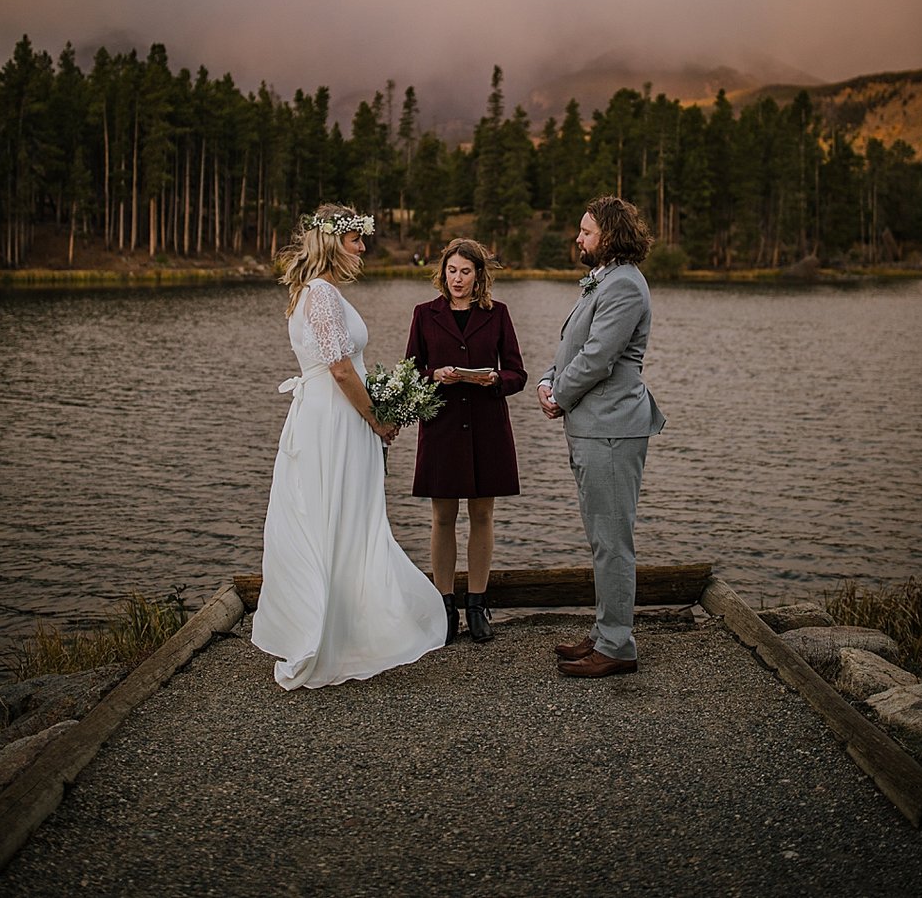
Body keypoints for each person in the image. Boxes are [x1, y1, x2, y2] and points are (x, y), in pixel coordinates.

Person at [252, 204, 447, 688]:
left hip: (328, 414)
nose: (362, 247)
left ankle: (346, 624)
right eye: (356, 239)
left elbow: (342, 366)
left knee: (342, 514)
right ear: (332, 242)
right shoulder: (321, 294)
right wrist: (378, 417)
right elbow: (340, 368)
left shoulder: (316, 291)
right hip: (335, 418)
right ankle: (329, 633)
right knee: (339, 515)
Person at [538, 196, 666, 678]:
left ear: (609, 235)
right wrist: (547, 381)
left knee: (613, 540)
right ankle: (606, 629)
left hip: (612, 428)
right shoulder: (604, 281)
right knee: (601, 538)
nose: (578, 238)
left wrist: (560, 396)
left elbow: (598, 357)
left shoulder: (627, 286)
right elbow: (571, 343)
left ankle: (617, 646)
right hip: (593, 425)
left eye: (586, 231)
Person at [405, 238, 527, 644]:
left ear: (479, 278)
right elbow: (411, 374)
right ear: (443, 273)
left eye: (465, 272)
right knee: (442, 517)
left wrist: (494, 379)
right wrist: (433, 376)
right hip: (441, 426)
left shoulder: (498, 315)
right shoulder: (424, 315)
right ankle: (445, 608)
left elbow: (516, 373)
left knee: (482, 516)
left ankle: (477, 605)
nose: (457, 279)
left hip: (486, 425)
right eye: (451, 271)